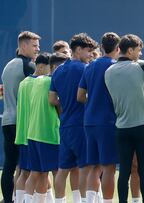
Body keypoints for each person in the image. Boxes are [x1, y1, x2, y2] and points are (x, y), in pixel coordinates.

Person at [105, 34, 144, 203]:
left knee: (124, 172)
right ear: (130, 50)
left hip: (121, 128)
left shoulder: (108, 71)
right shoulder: (141, 66)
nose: (140, 54)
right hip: (143, 126)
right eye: (138, 50)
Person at [49, 33, 97, 203]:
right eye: (88, 51)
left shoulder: (58, 70)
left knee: (63, 169)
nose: (91, 54)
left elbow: (52, 99)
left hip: (66, 126)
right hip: (82, 126)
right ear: (77, 50)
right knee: (85, 167)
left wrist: (65, 111)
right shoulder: (86, 69)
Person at [77, 32, 121, 203]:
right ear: (118, 48)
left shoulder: (90, 66)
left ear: (101, 47)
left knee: (94, 167)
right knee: (109, 167)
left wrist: (94, 99)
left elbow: (80, 96)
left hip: (89, 122)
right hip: (108, 122)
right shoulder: (115, 67)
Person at [1, 31, 40, 203]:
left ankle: (8, 199)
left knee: (9, 165)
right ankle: (23, 199)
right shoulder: (28, 66)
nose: (37, 49)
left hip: (7, 120)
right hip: (22, 122)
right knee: (26, 166)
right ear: (23, 45)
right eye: (34, 45)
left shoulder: (8, 65)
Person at [23, 53, 60, 203]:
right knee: (58, 172)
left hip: (33, 134)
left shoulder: (36, 81)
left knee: (36, 173)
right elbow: (55, 103)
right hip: (48, 134)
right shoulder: (51, 81)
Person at [15, 53, 52, 203]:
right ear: (41, 66)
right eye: (50, 68)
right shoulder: (40, 83)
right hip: (35, 133)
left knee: (24, 172)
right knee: (41, 173)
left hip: (23, 133)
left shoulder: (24, 82)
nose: (51, 71)